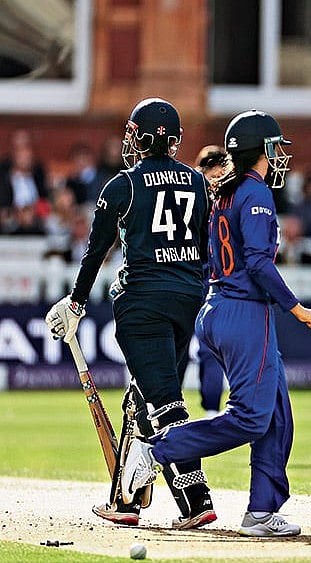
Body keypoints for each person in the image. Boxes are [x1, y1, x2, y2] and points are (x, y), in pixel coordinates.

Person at [120, 109, 311, 537]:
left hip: (218, 308)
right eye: (275, 146)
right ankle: (155, 452)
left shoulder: (225, 192)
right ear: (260, 149)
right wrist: (297, 309)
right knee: (250, 418)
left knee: (276, 415)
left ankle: (262, 511)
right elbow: (259, 265)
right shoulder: (255, 193)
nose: (280, 154)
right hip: (245, 313)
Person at [44, 98, 217, 528]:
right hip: (187, 299)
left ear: (138, 137)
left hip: (143, 304)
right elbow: (203, 247)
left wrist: (76, 302)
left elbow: (96, 250)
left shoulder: (123, 186)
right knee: (142, 398)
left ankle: (196, 499)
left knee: (164, 404)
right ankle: (127, 502)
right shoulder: (198, 182)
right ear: (174, 141)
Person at [193, 145, 229, 416]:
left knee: (210, 347)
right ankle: (162, 410)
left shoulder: (229, 200)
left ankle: (211, 409)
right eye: (212, 177)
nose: (216, 183)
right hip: (187, 277)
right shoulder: (191, 199)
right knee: (177, 346)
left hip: (214, 281)